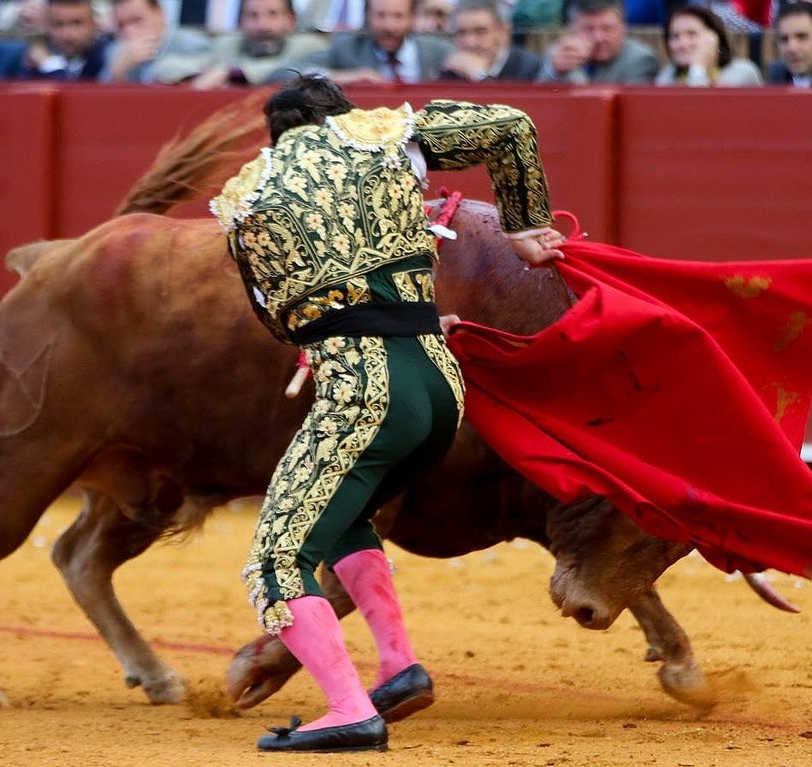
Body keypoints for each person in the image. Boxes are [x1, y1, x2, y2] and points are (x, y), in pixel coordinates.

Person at [210, 74, 564, 753]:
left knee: (277, 559)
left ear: (277, 134)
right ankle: (398, 668)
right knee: (344, 517)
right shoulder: (388, 138)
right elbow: (511, 126)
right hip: (437, 383)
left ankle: (348, 708)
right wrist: (524, 231)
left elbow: (278, 321)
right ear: (346, 116)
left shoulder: (249, 195)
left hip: (364, 389)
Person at [281, 0, 455, 84]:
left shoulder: (440, 52)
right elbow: (284, 74)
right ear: (366, 17)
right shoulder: (346, 48)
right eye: (380, 16)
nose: (389, 26)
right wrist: (343, 76)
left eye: (398, 16)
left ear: (412, 18)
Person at [190, 0, 327, 87]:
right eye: (252, 15)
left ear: (291, 20)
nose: (263, 26)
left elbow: (289, 71)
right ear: (239, 22)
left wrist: (233, 73)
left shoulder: (310, 46)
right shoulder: (224, 46)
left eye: (273, 14)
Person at [538, 0, 659, 83]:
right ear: (571, 28)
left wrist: (573, 72)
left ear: (623, 28)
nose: (598, 37)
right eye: (588, 29)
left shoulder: (640, 60)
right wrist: (554, 71)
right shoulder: (559, 53)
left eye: (607, 29)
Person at [102, 0, 211, 83]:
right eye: (121, 25)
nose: (130, 32)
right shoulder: (116, 51)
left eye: (137, 20)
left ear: (159, 13)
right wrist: (117, 72)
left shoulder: (193, 44)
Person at [655, 4, 762, 85]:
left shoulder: (742, 73)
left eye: (692, 34)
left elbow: (699, 109)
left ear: (714, 38)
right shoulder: (668, 76)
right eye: (675, 36)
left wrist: (698, 69)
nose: (682, 44)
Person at [441, 0, 542, 81]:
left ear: (503, 32)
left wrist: (480, 76)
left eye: (480, 32)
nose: (470, 43)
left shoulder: (528, 67)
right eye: (461, 33)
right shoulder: (453, 68)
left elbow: (512, 105)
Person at [24, 0, 110, 80]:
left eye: (77, 23)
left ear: (95, 25)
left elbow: (73, 94)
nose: (67, 34)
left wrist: (49, 65)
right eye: (58, 24)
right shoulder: (35, 59)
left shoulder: (107, 57)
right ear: (47, 27)